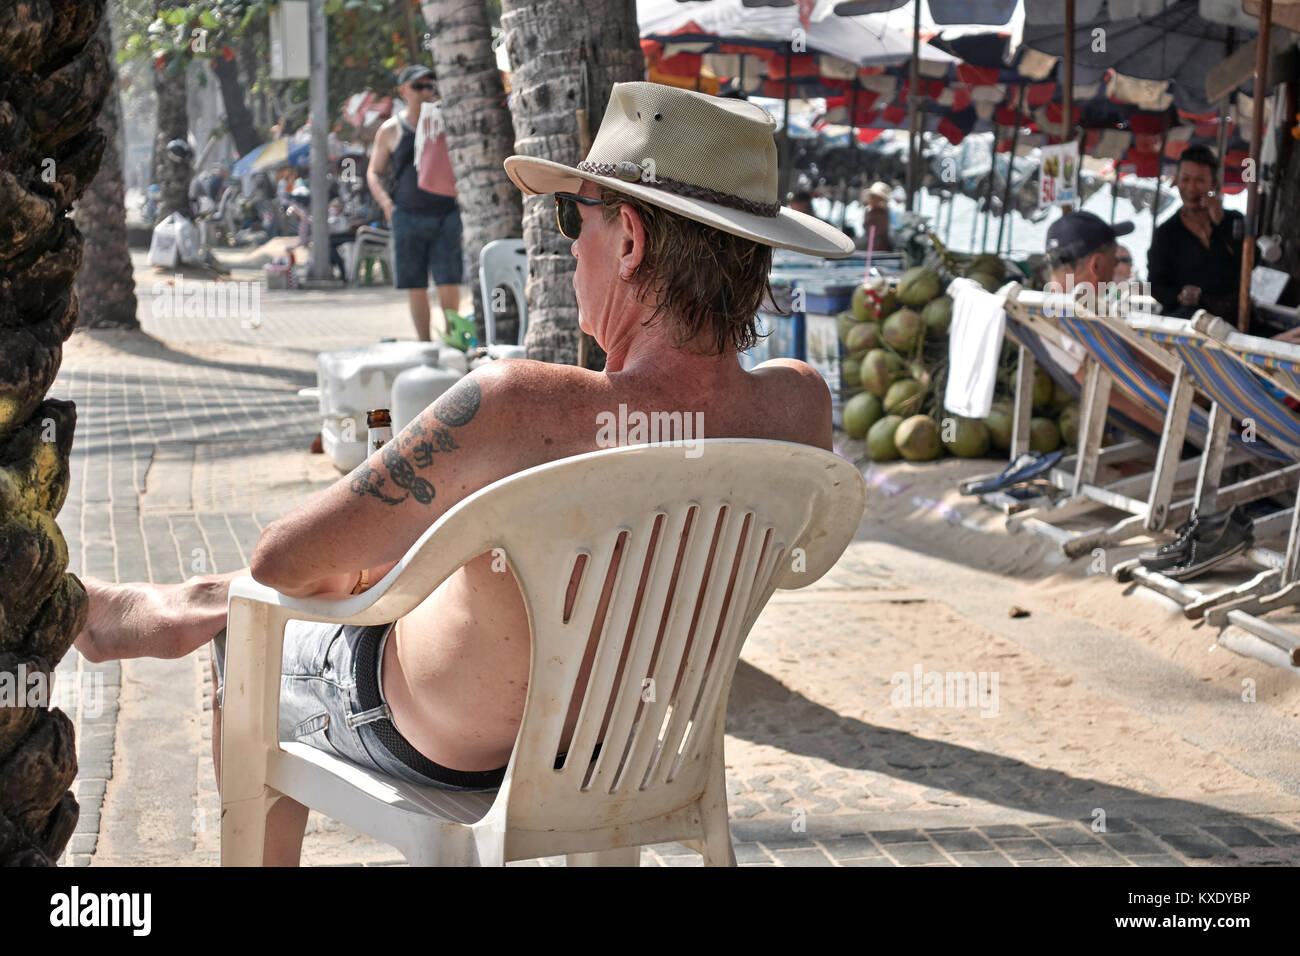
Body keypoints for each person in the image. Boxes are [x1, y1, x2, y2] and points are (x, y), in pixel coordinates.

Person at [73, 82, 854, 865]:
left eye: (571, 216)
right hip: (632, 747)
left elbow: (283, 559)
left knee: (253, 632)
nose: (566, 243)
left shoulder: (516, 407)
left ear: (629, 243)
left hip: (448, 747)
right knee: (406, 562)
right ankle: (183, 603)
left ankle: (188, 615)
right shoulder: (799, 409)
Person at [366, 64, 467, 345]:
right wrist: (388, 205)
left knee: (449, 280)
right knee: (416, 285)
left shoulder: (446, 122)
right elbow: (374, 172)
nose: (425, 92)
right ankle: (424, 345)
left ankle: (453, 342)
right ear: (403, 91)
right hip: (407, 214)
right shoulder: (390, 130)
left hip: (446, 213)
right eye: (418, 86)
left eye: (429, 86)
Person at [1148, 144, 1244, 320]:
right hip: (1186, 319)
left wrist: (1220, 223)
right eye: (1185, 179)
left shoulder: (1234, 221)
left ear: (1213, 184)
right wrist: (1179, 296)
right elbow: (1155, 284)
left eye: (1200, 180)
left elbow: (1250, 266)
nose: (1191, 188)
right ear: (1176, 180)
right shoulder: (1166, 233)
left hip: (1235, 318)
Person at [855, 181, 893, 252]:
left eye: (875, 197)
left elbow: (880, 232)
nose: (872, 199)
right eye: (872, 197)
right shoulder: (869, 211)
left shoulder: (882, 213)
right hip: (869, 245)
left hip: (879, 247)